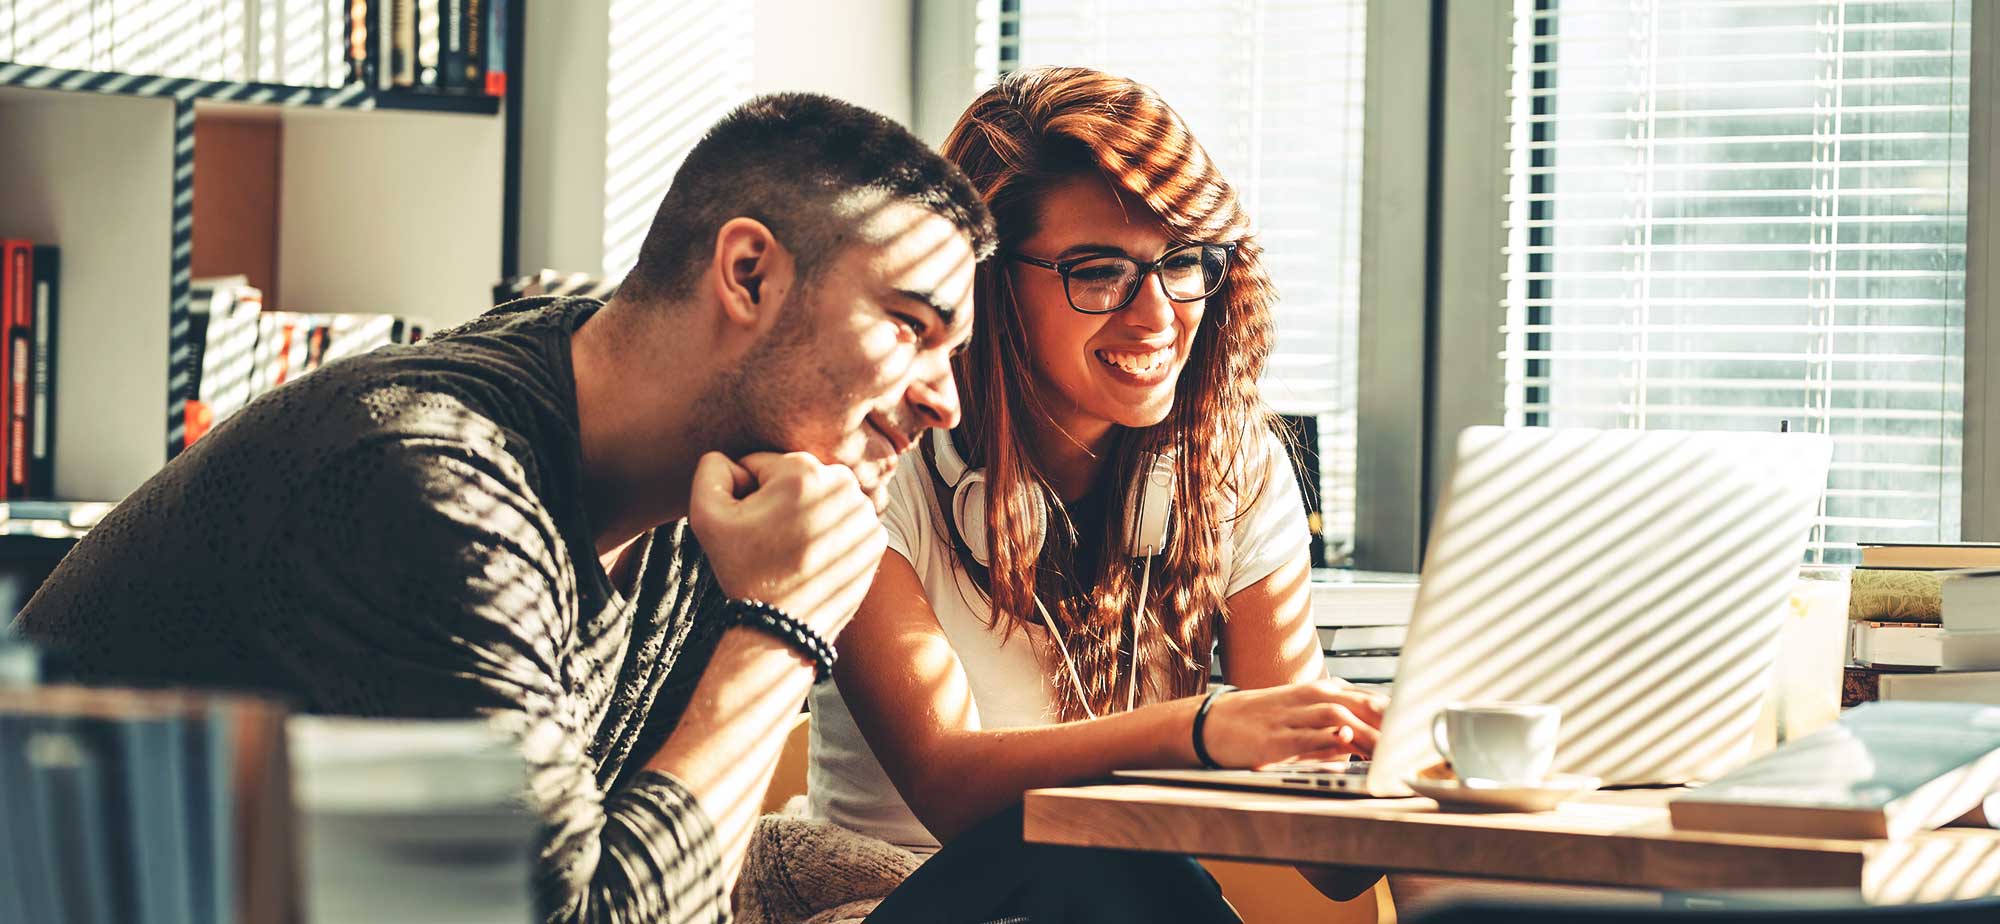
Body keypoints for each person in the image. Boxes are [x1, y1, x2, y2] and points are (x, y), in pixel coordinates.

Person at [10, 93, 996, 924]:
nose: (943, 398)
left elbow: (662, 847)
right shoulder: (440, 492)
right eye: (911, 327)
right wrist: (779, 632)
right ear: (747, 274)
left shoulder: (717, 467)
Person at [803, 67, 1387, 921]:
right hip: (895, 895)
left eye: (1184, 262)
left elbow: (1333, 866)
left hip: (1121, 904)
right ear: (987, 284)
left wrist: (1390, 760)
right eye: (1099, 271)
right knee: (1079, 843)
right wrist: (1201, 731)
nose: (1157, 318)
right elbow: (951, 786)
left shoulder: (1231, 466)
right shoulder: (876, 455)